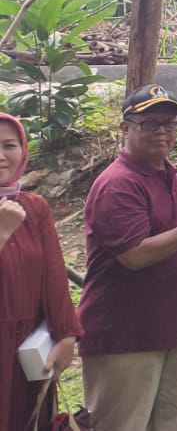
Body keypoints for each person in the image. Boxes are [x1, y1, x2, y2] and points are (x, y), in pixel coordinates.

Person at [78, 85, 177, 431]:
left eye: (169, 124)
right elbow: (134, 255)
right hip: (126, 336)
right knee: (123, 423)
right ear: (125, 128)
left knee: (176, 420)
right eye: (150, 124)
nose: (162, 132)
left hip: (172, 330)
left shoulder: (167, 172)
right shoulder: (118, 183)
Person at [0, 113, 81, 431]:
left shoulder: (33, 208)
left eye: (9, 145)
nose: (1, 156)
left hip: (25, 352)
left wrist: (66, 335)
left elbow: (54, 278)